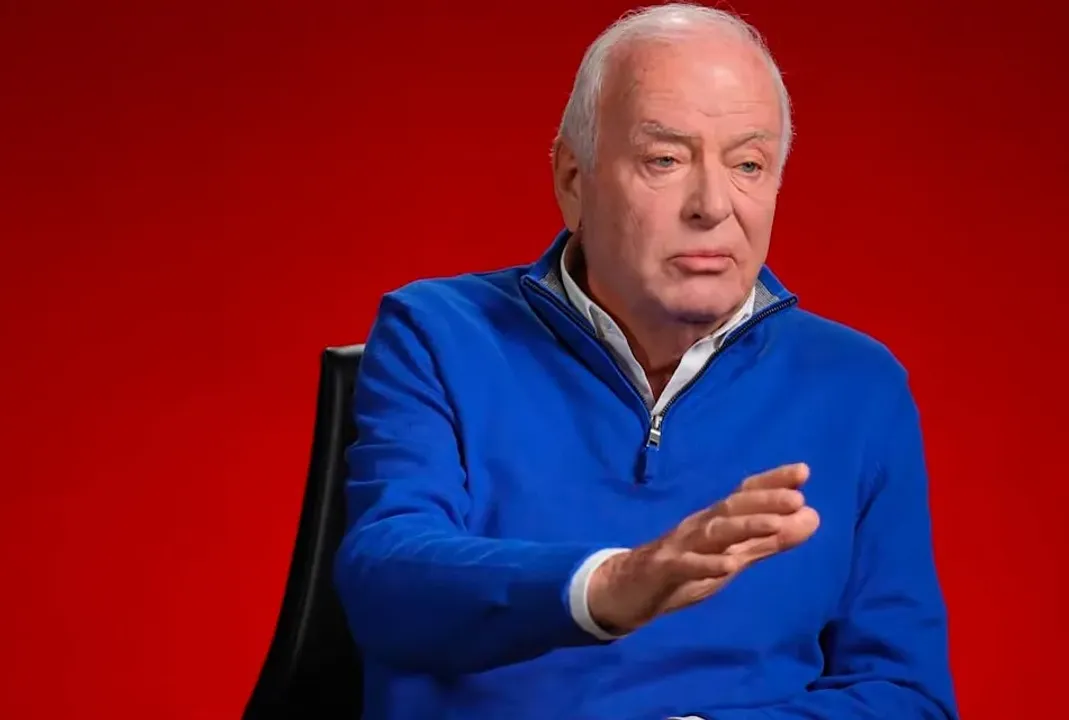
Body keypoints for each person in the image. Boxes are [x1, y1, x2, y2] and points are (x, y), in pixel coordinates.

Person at [334, 3, 959, 719]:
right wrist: (611, 586)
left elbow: (906, 696)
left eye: (748, 165)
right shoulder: (439, 333)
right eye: (666, 159)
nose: (713, 205)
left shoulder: (858, 385)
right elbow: (387, 579)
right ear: (573, 180)